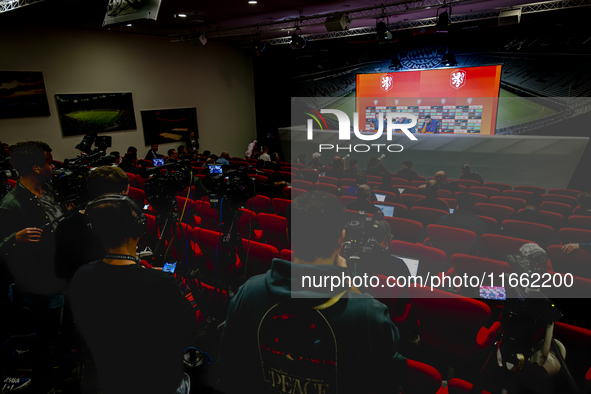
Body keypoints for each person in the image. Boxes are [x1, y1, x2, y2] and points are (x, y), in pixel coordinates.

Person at [218, 191, 406, 394]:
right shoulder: (368, 312)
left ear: (289, 235)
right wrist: (350, 285)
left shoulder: (248, 292)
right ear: (341, 238)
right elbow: (389, 349)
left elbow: (228, 365)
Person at [69, 194, 196, 394]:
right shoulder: (160, 283)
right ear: (139, 229)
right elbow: (188, 329)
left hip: (109, 376)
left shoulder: (81, 275)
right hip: (157, 381)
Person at [0, 141, 67, 389]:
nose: (53, 166)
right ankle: (46, 382)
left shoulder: (50, 190)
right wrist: (13, 239)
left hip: (62, 273)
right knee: (47, 338)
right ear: (37, 167)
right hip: (42, 283)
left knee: (60, 332)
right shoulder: (11, 205)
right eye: (49, 162)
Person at [55, 166, 130, 282]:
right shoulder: (125, 223)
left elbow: (60, 271)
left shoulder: (66, 224)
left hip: (77, 290)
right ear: (122, 192)